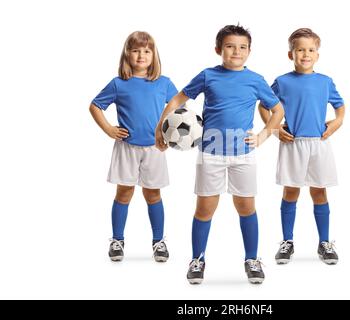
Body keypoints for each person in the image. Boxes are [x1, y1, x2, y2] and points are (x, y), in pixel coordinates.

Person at [155, 24, 284, 284]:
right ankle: (197, 259)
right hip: (210, 153)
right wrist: (161, 125)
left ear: (249, 51)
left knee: (246, 207)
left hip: (243, 154)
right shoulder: (207, 75)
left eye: (242, 47)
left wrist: (263, 135)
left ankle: (252, 259)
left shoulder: (256, 80)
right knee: (205, 208)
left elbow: (278, 110)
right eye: (230, 46)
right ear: (218, 49)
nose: (236, 51)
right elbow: (179, 99)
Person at [89, 31, 178, 263]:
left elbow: (179, 109)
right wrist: (109, 129)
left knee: (153, 194)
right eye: (136, 50)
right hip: (126, 147)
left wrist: (170, 134)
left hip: (154, 148)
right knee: (124, 192)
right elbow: (95, 106)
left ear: (153, 54)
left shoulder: (163, 83)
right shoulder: (119, 84)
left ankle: (159, 241)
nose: (141, 55)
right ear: (127, 54)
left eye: (147, 51)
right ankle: (117, 240)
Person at [259, 28, 346, 265]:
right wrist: (274, 129)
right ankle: (287, 242)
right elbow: (264, 105)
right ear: (291, 54)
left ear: (317, 54)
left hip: (319, 143)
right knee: (291, 191)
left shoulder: (325, 81)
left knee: (319, 191)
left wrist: (337, 122)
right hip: (293, 143)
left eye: (310, 50)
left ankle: (325, 243)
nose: (305, 54)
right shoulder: (282, 81)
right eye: (300, 50)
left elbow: (340, 106)